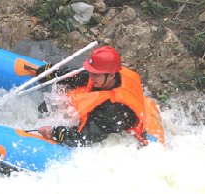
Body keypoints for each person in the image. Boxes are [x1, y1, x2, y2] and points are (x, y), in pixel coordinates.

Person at [37, 46, 165, 147]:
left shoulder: (114, 109)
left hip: (119, 128)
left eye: (96, 74)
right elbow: (80, 75)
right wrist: (54, 73)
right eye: (92, 72)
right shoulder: (104, 74)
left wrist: (55, 133)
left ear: (111, 75)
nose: (92, 77)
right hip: (109, 106)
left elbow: (86, 137)